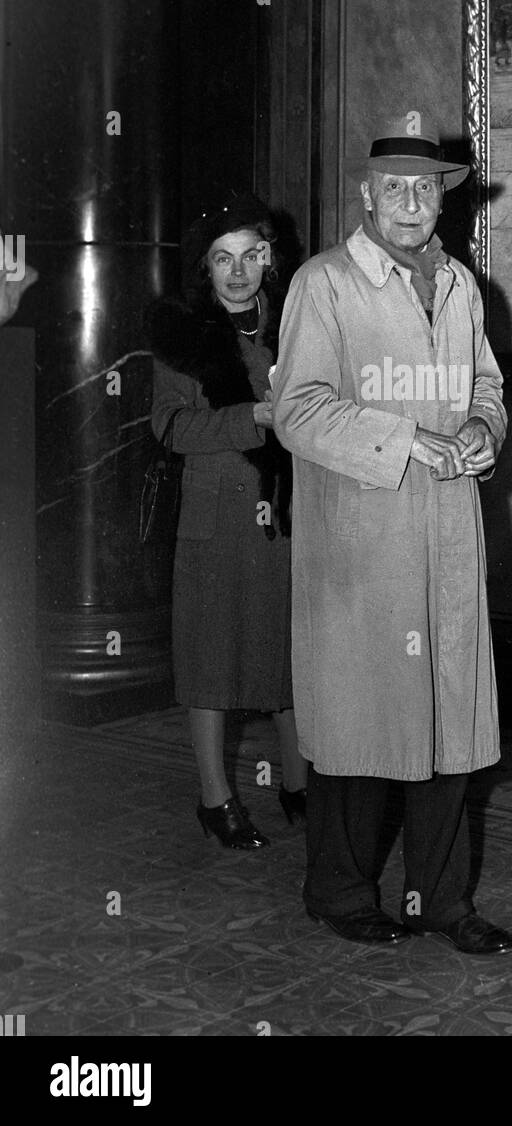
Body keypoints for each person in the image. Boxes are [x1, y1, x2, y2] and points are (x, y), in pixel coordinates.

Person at [270, 115, 512, 955]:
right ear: (365, 196)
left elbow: (487, 382)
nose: (411, 203)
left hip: (447, 532)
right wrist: (405, 441)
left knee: (449, 729)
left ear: (442, 200)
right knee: (363, 726)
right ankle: (339, 892)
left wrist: (485, 429)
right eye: (394, 189)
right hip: (361, 540)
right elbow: (298, 409)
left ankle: (441, 901)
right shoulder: (325, 283)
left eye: (426, 189)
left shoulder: (458, 285)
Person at [147, 195, 308, 849]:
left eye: (249, 256)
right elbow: (171, 427)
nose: (237, 272)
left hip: (286, 519)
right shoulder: (182, 335)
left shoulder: (298, 321)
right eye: (222, 259)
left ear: (266, 259)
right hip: (215, 521)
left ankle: (299, 785)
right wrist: (253, 419)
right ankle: (215, 799)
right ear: (205, 268)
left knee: (287, 655)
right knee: (211, 659)